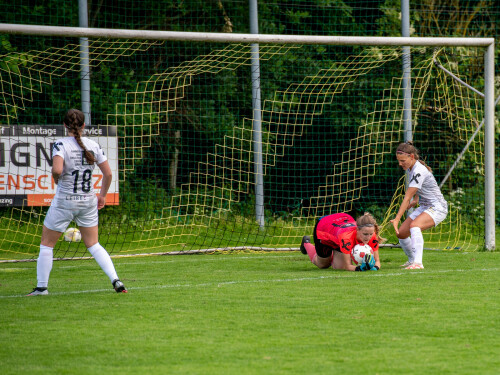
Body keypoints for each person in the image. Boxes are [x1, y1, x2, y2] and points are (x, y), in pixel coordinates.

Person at [27, 109, 127, 295]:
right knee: (94, 244)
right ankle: (116, 280)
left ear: (64, 125)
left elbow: (57, 170)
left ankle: (41, 288)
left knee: (47, 245)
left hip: (65, 201)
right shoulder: (93, 145)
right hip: (88, 201)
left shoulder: (61, 144)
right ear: (83, 126)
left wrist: (57, 180)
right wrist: (102, 196)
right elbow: (108, 173)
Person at [390, 141, 448, 270]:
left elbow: (407, 197)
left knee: (414, 226)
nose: (400, 164)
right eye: (398, 161)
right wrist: (416, 200)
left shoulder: (418, 170)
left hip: (438, 208)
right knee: (402, 234)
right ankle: (411, 261)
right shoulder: (412, 168)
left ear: (411, 157)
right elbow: (419, 188)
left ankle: (418, 263)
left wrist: (397, 218)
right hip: (425, 206)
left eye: (402, 161)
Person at [300, 212, 382, 271]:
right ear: (357, 229)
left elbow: (377, 261)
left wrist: (374, 268)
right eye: (365, 234)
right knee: (323, 265)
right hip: (324, 227)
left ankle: (334, 256)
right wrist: (360, 268)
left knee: (340, 267)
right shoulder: (346, 238)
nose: (368, 237)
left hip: (339, 228)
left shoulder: (372, 236)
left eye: (370, 234)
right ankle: (306, 243)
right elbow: (348, 266)